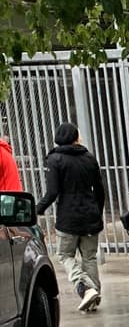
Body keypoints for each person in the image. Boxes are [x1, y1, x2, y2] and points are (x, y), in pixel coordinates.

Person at [34, 121, 106, 312]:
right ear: (76, 138)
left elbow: (52, 192)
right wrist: (97, 212)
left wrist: (36, 210)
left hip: (68, 217)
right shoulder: (89, 157)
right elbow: (100, 190)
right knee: (89, 257)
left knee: (65, 254)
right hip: (91, 215)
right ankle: (93, 295)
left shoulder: (55, 160)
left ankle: (83, 286)